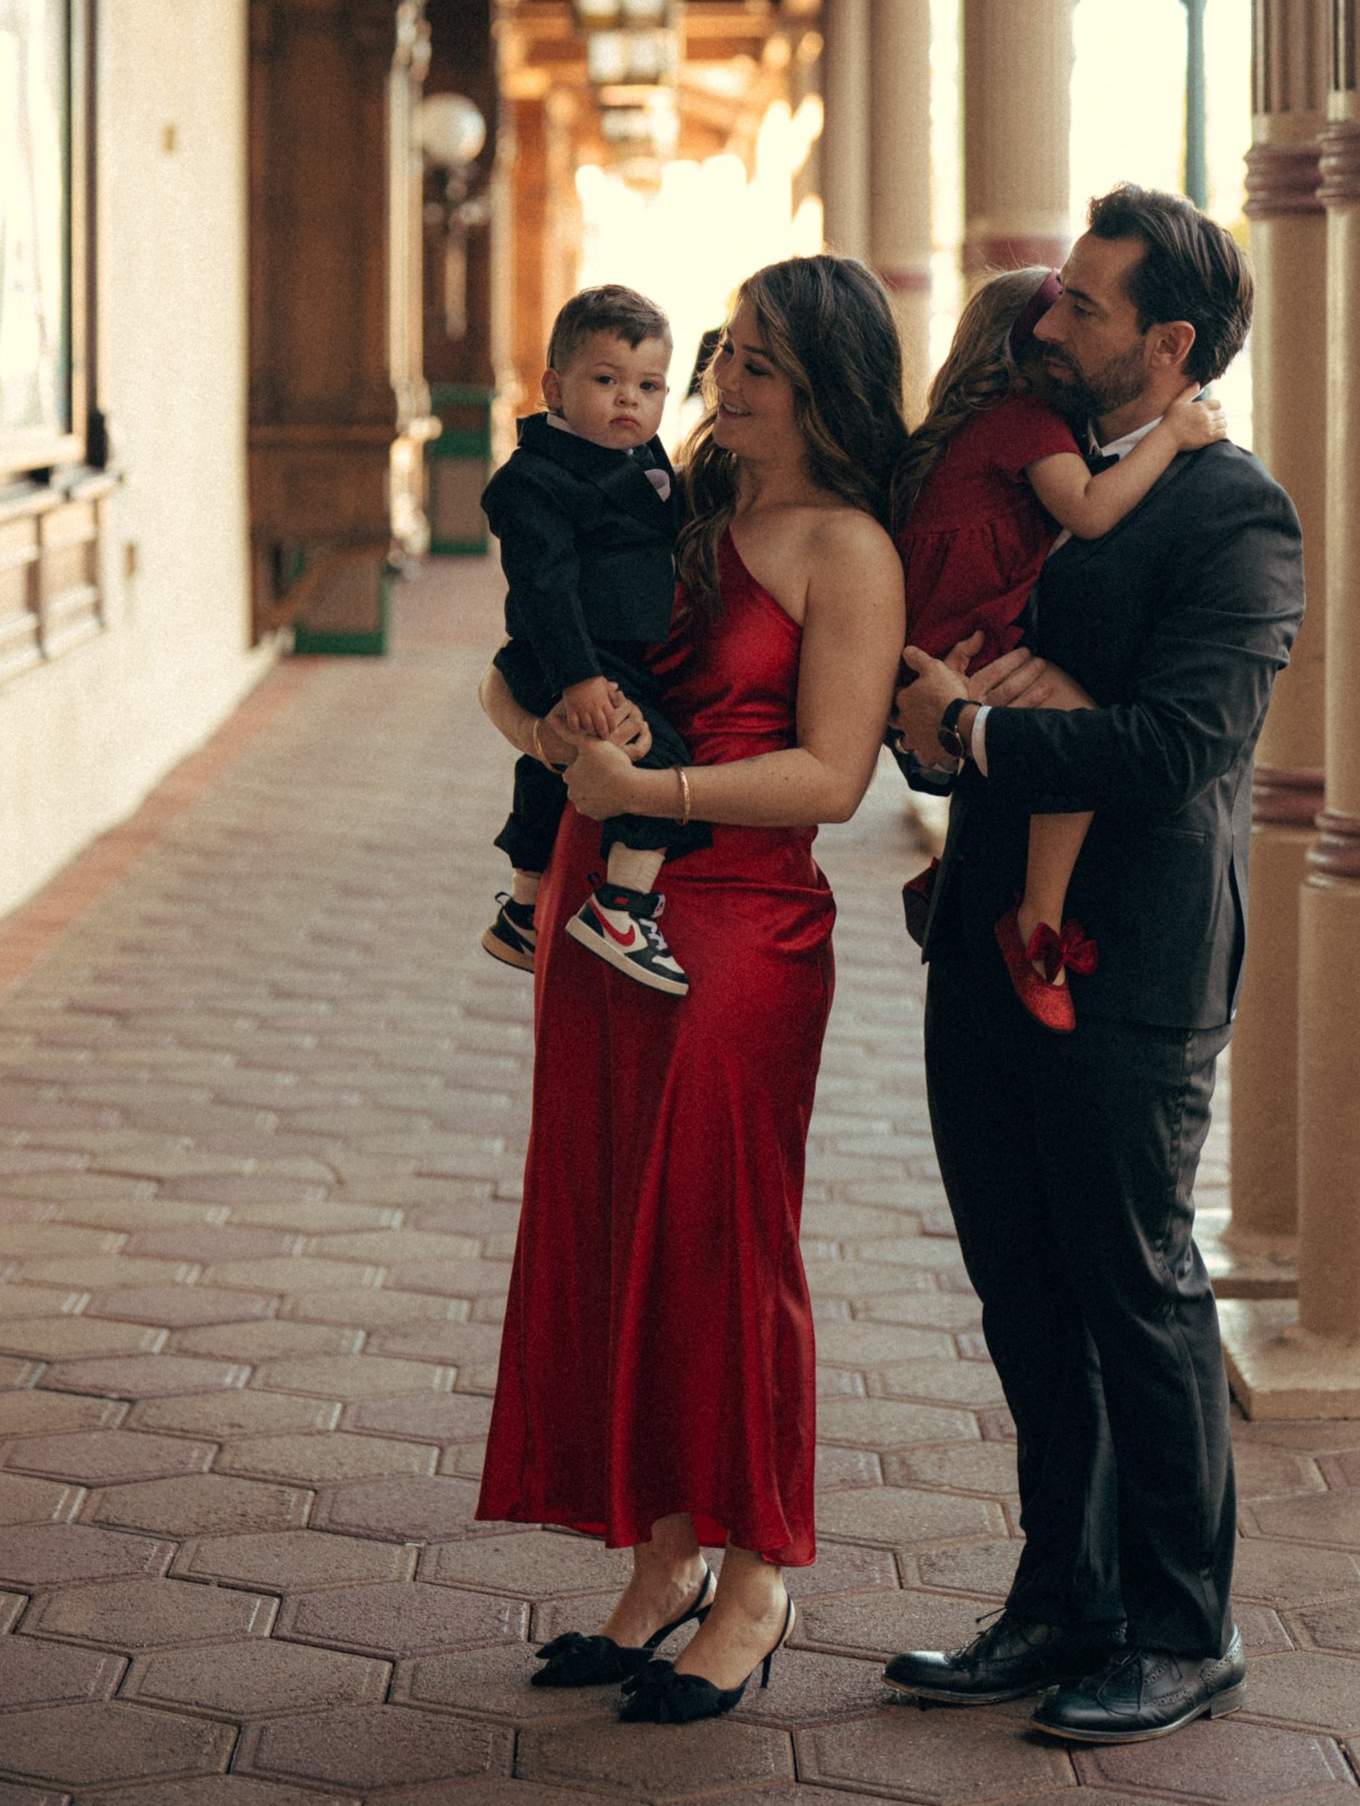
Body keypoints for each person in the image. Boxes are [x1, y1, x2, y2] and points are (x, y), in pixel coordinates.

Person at [887, 186, 1304, 1749]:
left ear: (1170, 343)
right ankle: (1060, 1595)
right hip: (982, 932)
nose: (1045, 320)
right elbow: (929, 721)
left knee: (1135, 1289)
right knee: (1019, 1285)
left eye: (1080, 305)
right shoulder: (1027, 472)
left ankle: (1186, 1629)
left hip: (1128, 966)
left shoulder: (1238, 513)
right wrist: (935, 714)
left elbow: (1186, 744)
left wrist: (995, 729)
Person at [477, 255, 908, 1728]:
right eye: (728, 349)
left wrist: (644, 781)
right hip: (605, 909)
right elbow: (516, 666)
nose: (726, 378)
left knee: (724, 1248)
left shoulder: (845, 546)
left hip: (733, 926)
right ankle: (661, 1558)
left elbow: (834, 780)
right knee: (613, 1231)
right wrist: (548, 724)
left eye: (763, 364)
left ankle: (757, 1572)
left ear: (829, 390)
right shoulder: (668, 503)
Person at [892, 264, 1225, 1027]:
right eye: (1060, 317)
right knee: (1072, 722)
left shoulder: (985, 423)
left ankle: (964, 878)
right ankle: (1037, 922)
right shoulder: (1027, 422)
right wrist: (1172, 433)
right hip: (969, 633)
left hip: (950, 630)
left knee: (1036, 737)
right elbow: (1090, 511)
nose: (1064, 335)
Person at [480, 285, 709, 998]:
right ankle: (623, 907)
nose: (628, 401)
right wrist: (577, 678)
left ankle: (522, 911)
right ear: (555, 387)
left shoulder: (647, 460)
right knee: (655, 760)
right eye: (605, 381)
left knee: (549, 772)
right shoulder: (536, 480)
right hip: (570, 655)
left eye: (649, 386)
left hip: (618, 653)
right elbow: (545, 587)